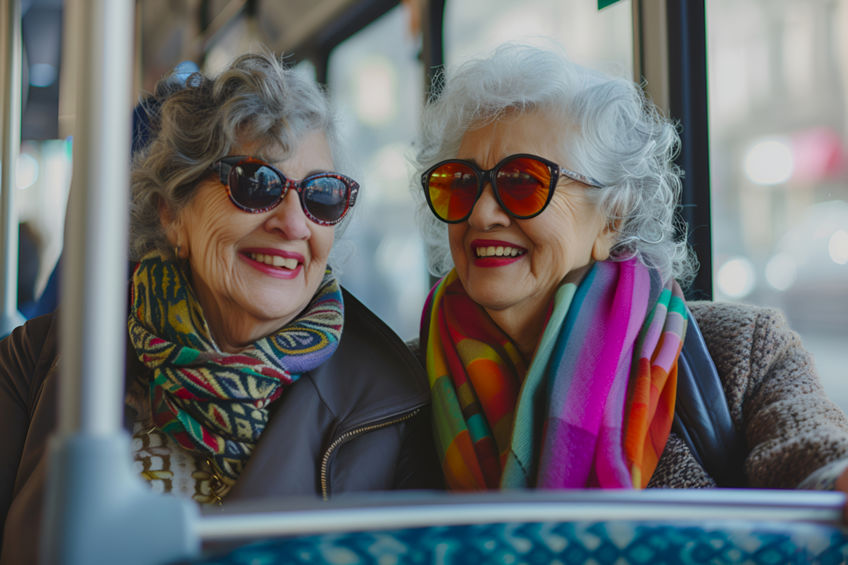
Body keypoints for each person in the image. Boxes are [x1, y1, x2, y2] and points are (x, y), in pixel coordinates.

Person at [0, 52, 437, 563]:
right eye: (256, 184)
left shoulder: (392, 408)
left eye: (320, 196)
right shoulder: (36, 362)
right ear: (171, 214)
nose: (294, 224)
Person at [413, 43, 848, 499]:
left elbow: (810, 455)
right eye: (460, 183)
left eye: (522, 181)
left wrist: (833, 482)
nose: (481, 215)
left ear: (612, 217)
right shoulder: (395, 384)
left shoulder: (744, 353)